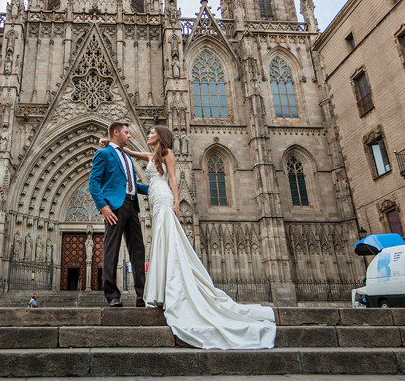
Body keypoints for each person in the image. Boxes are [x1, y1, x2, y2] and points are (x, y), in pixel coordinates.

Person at [100, 125, 276, 350]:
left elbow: (173, 178)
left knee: (164, 243)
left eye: (152, 133)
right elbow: (128, 153)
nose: (147, 135)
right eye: (129, 133)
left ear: (160, 137)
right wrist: (108, 144)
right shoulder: (151, 155)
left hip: (162, 199)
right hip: (149, 199)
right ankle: (153, 291)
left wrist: (176, 203)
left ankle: (159, 291)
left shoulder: (167, 153)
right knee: (160, 244)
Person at [89, 121, 150, 307]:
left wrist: (155, 188)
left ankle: (142, 295)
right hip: (114, 206)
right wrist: (103, 207)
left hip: (132, 205)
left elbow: (132, 185)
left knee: (138, 251)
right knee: (111, 249)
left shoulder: (127, 157)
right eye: (126, 132)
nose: (129, 135)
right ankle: (112, 295)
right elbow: (93, 182)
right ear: (116, 132)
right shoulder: (103, 153)